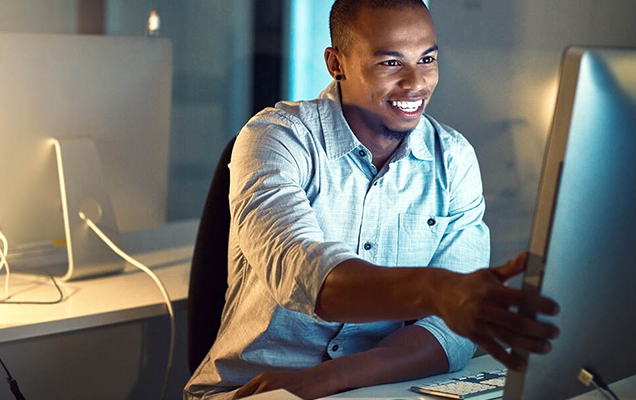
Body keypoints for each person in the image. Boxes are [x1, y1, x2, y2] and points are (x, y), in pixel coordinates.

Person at [184, 1, 559, 399]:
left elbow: (448, 332)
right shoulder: (275, 138)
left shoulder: (454, 158)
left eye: (427, 59)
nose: (416, 82)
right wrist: (438, 289)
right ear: (336, 63)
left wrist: (333, 377)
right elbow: (307, 276)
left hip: (378, 388)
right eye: (391, 63)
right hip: (254, 390)